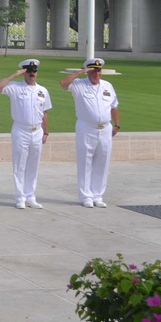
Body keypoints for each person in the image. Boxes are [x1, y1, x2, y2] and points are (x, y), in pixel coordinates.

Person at [60, 57, 120, 208]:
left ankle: (97, 195)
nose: (96, 74)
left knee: (103, 162)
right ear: (87, 71)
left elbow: (114, 106)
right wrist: (80, 72)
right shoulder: (79, 85)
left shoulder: (107, 86)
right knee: (85, 162)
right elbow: (63, 83)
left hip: (105, 128)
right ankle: (86, 196)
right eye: (93, 71)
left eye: (98, 71)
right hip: (87, 128)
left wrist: (117, 124)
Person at [0, 59, 51, 209]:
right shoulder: (15, 87)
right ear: (24, 72)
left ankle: (30, 196)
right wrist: (14, 75)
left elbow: (45, 112)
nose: (32, 74)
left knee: (33, 165)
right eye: (29, 71)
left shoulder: (43, 91)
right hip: (21, 130)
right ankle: (20, 197)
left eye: (34, 71)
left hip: (37, 131)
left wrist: (46, 131)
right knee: (19, 165)